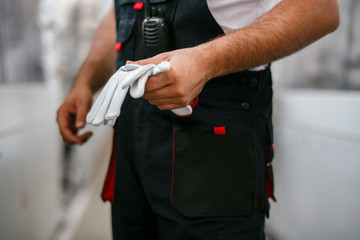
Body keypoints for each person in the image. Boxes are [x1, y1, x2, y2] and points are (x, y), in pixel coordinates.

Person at [57, 0, 339, 239]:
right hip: (133, 139)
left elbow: (320, 9)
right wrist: (85, 81)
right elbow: (123, 13)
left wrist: (206, 61)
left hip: (213, 136)